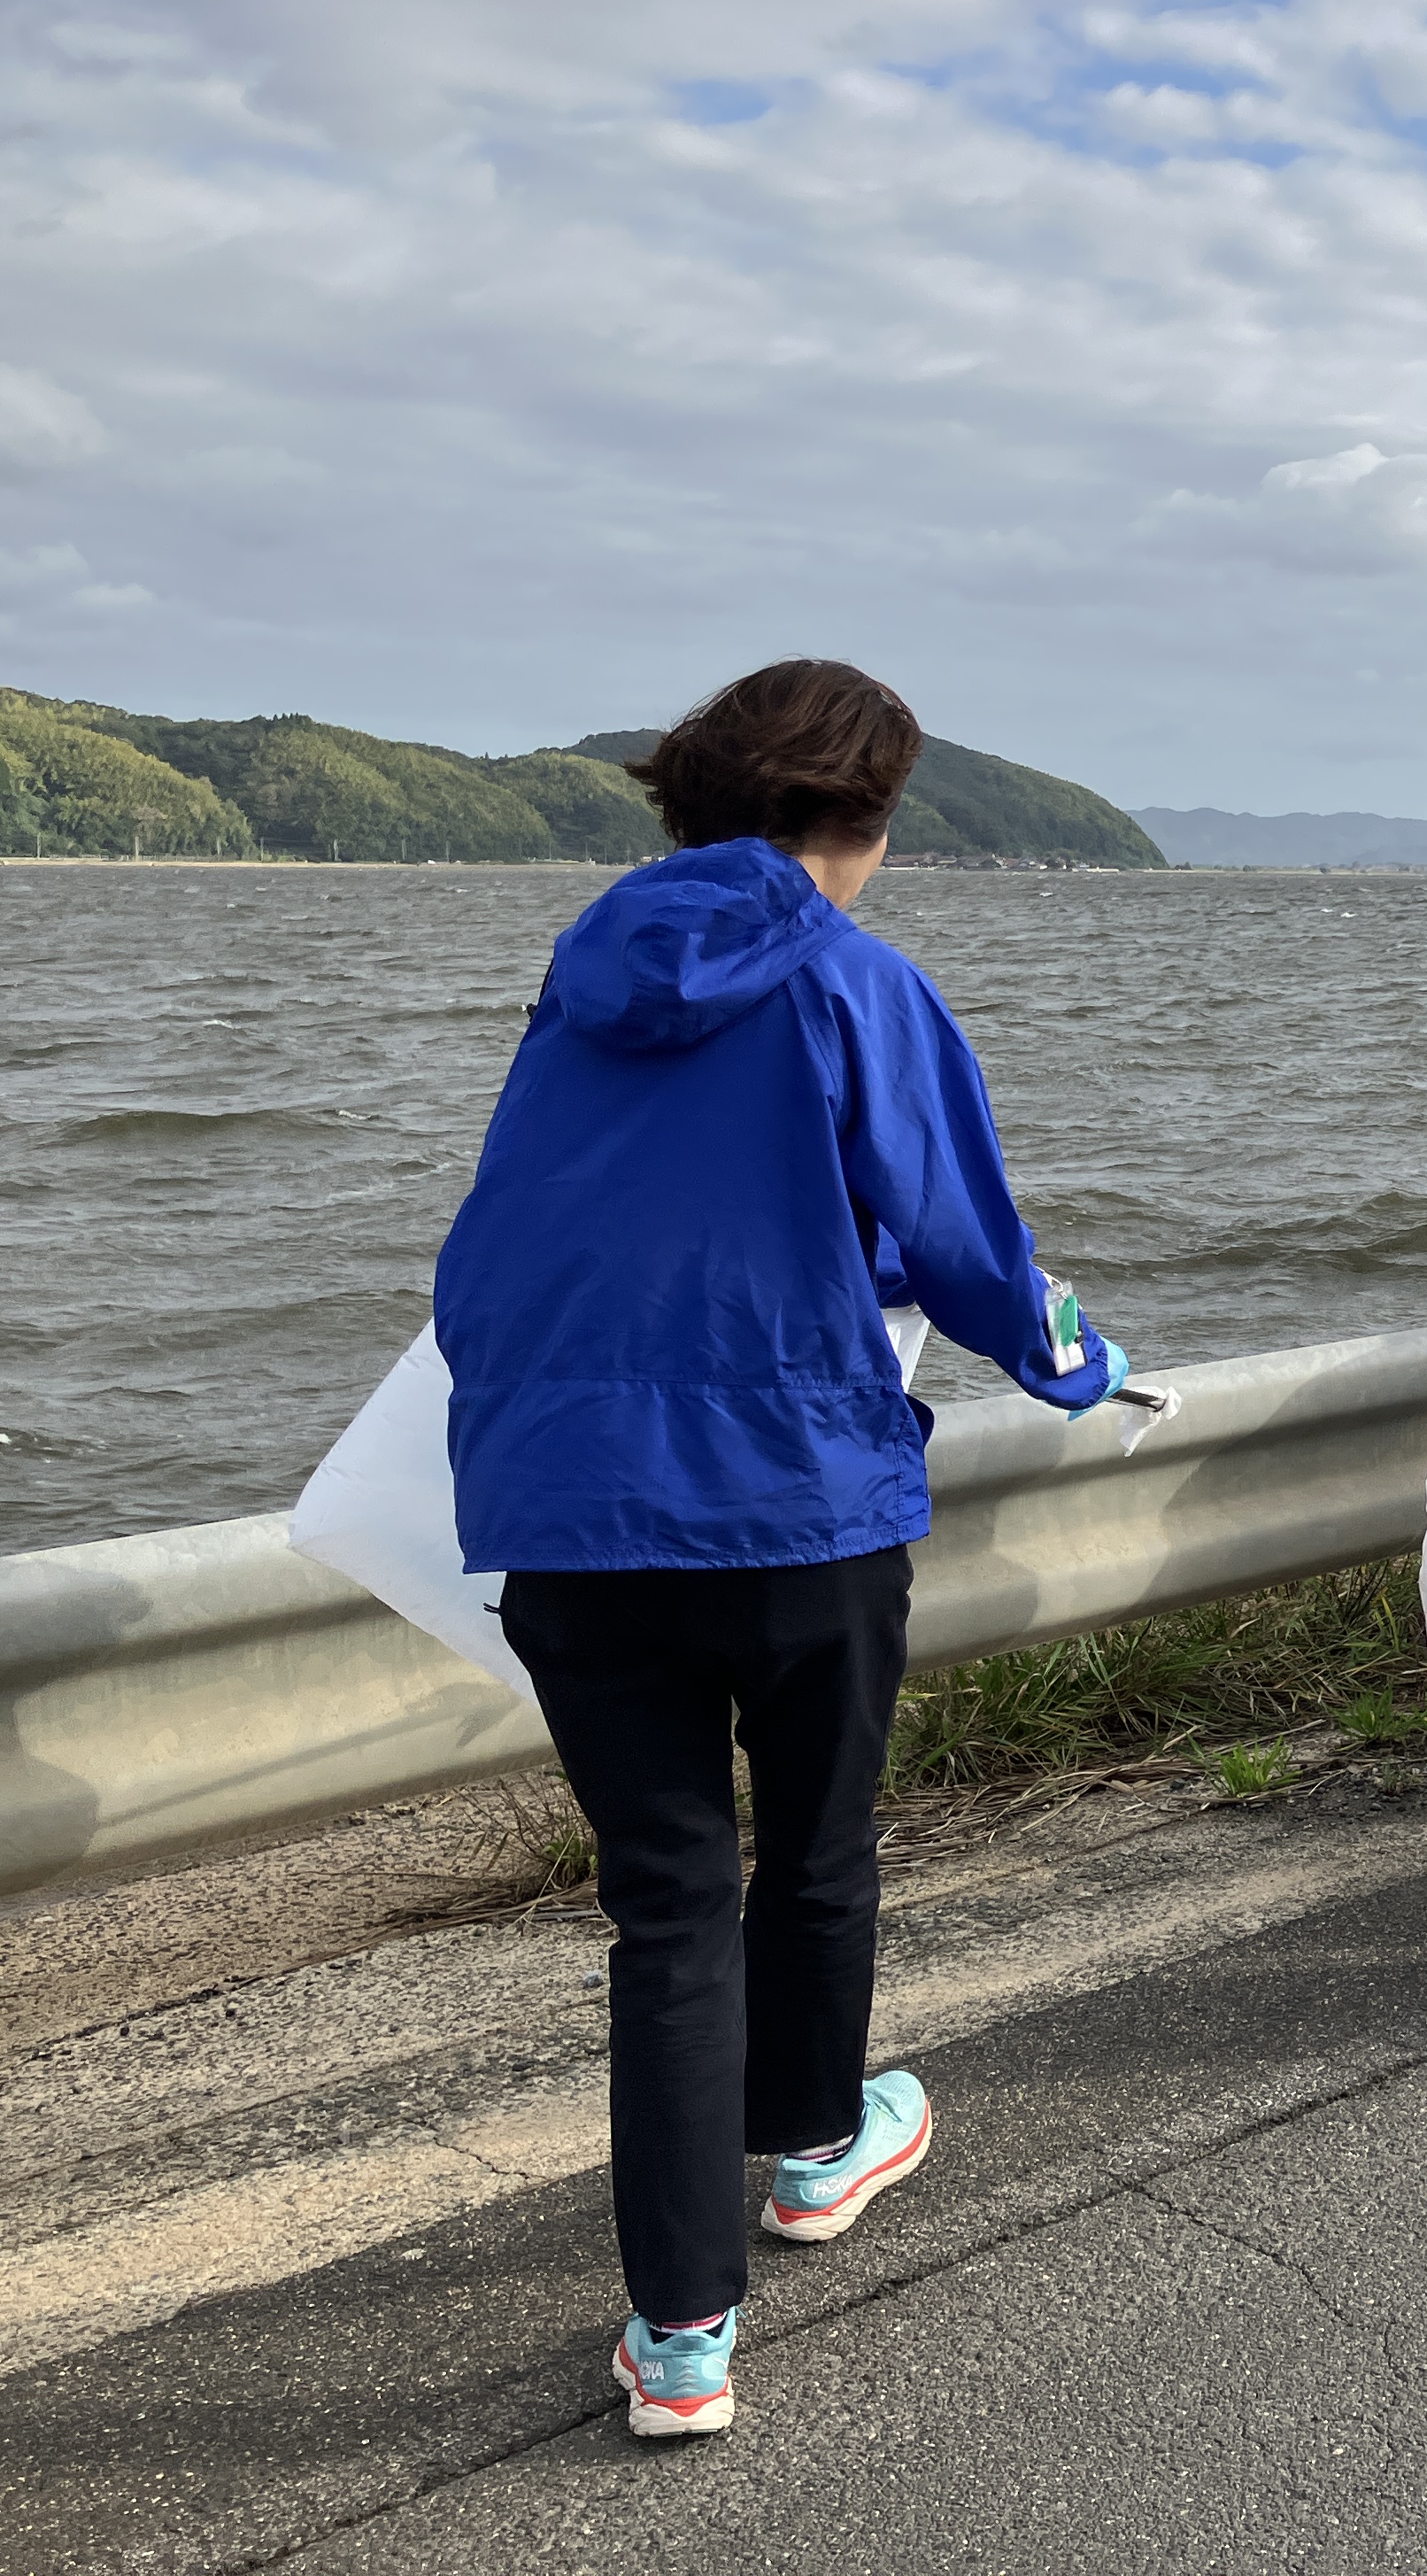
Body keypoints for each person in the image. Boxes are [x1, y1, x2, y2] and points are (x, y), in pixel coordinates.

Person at [435, 661, 1139, 2439]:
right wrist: (1076, 1361)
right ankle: (821, 2148)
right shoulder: (854, 982)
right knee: (815, 1850)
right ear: (866, 820)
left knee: (667, 1909)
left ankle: (681, 2339)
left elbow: (517, 1247)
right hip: (796, 1504)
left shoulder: (574, 989)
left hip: (570, 1509)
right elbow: (973, 1251)